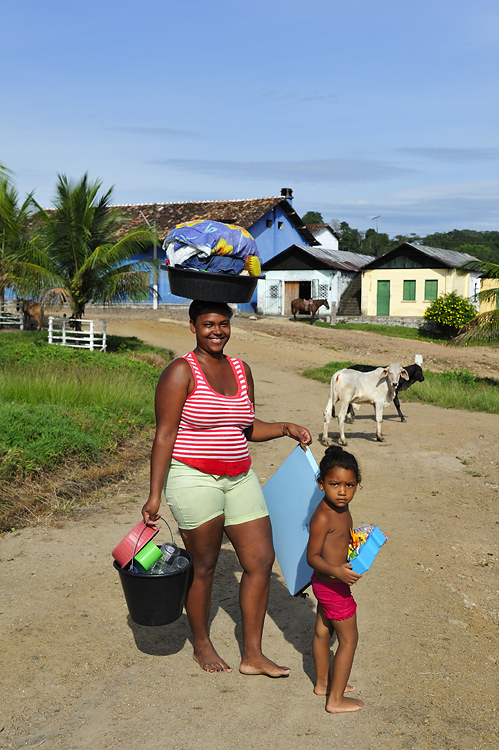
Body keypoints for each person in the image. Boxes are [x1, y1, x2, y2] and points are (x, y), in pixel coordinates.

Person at [142, 299, 312, 676]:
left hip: (240, 478)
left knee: (260, 561)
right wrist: (155, 494)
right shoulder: (180, 372)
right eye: (208, 324)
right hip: (193, 478)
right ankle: (201, 644)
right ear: (192, 326)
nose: (216, 331)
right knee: (204, 566)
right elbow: (165, 435)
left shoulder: (241, 369)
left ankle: (253, 654)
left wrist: (286, 428)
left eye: (223, 323)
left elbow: (247, 426)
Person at [306, 445, 365, 713]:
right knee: (349, 640)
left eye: (349, 485)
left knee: (322, 631)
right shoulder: (323, 515)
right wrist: (339, 571)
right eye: (334, 484)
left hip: (327, 583)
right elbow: (312, 556)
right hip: (332, 585)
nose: (342, 491)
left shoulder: (342, 509)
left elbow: (341, 542)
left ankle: (323, 684)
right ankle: (336, 699)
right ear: (321, 484)